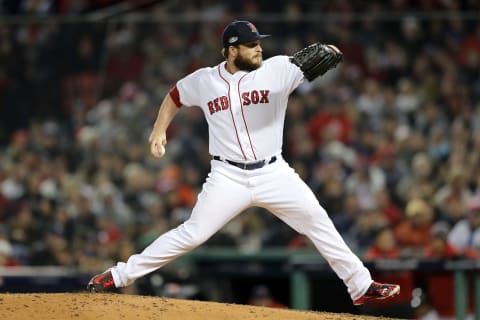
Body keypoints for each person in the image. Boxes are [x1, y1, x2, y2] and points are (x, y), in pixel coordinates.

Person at [87, 20, 400, 306]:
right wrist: (159, 130)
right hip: (227, 176)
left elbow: (320, 58)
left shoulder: (278, 68)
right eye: (251, 44)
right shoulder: (205, 80)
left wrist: (331, 50)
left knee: (317, 220)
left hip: (274, 172)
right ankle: (119, 276)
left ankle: (360, 285)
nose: (259, 48)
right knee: (193, 234)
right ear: (232, 50)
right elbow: (174, 96)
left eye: (259, 42)